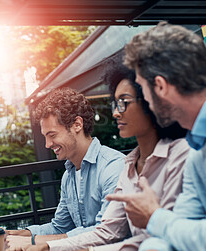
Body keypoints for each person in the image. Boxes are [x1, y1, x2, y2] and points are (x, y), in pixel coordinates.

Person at [20, 60, 190, 251]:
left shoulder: (179, 156)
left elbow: (168, 240)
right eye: (115, 104)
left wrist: (42, 245)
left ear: (152, 102)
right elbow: (113, 233)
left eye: (123, 103)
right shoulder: (129, 166)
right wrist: (36, 241)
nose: (116, 113)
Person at [105, 22, 206, 251]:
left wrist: (154, 217)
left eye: (142, 88)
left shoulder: (187, 152)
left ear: (159, 86)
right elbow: (175, 233)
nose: (146, 101)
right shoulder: (196, 152)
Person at [4, 87, 125, 250]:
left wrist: (36, 243)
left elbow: (107, 233)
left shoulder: (114, 166)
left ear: (77, 124)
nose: (47, 145)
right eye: (45, 137)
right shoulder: (69, 176)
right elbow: (60, 228)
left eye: (52, 135)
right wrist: (15, 234)